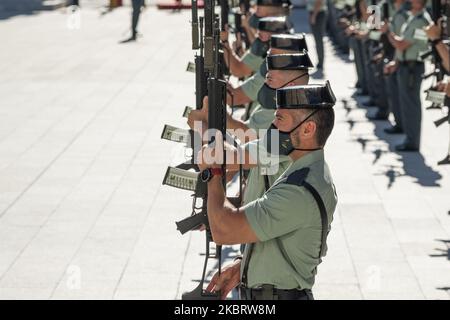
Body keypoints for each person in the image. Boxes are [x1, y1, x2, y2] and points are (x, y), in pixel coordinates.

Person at [196, 83, 338, 300]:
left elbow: (224, 229)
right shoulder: (305, 171)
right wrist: (243, 266)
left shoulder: (298, 191)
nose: (273, 124)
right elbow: (281, 241)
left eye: (280, 119)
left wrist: (213, 171)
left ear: (308, 129)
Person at [386, 0, 432, 151]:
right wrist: (396, 62)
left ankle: (412, 141)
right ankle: (409, 138)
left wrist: (389, 32)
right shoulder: (414, 18)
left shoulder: (421, 21)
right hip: (406, 65)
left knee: (411, 105)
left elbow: (402, 44)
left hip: (413, 68)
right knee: (406, 104)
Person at [307, 0, 328, 69]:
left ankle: (321, 62)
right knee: (317, 39)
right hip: (315, 13)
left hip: (318, 14)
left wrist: (314, 16)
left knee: (318, 39)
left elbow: (319, 2)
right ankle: (320, 61)